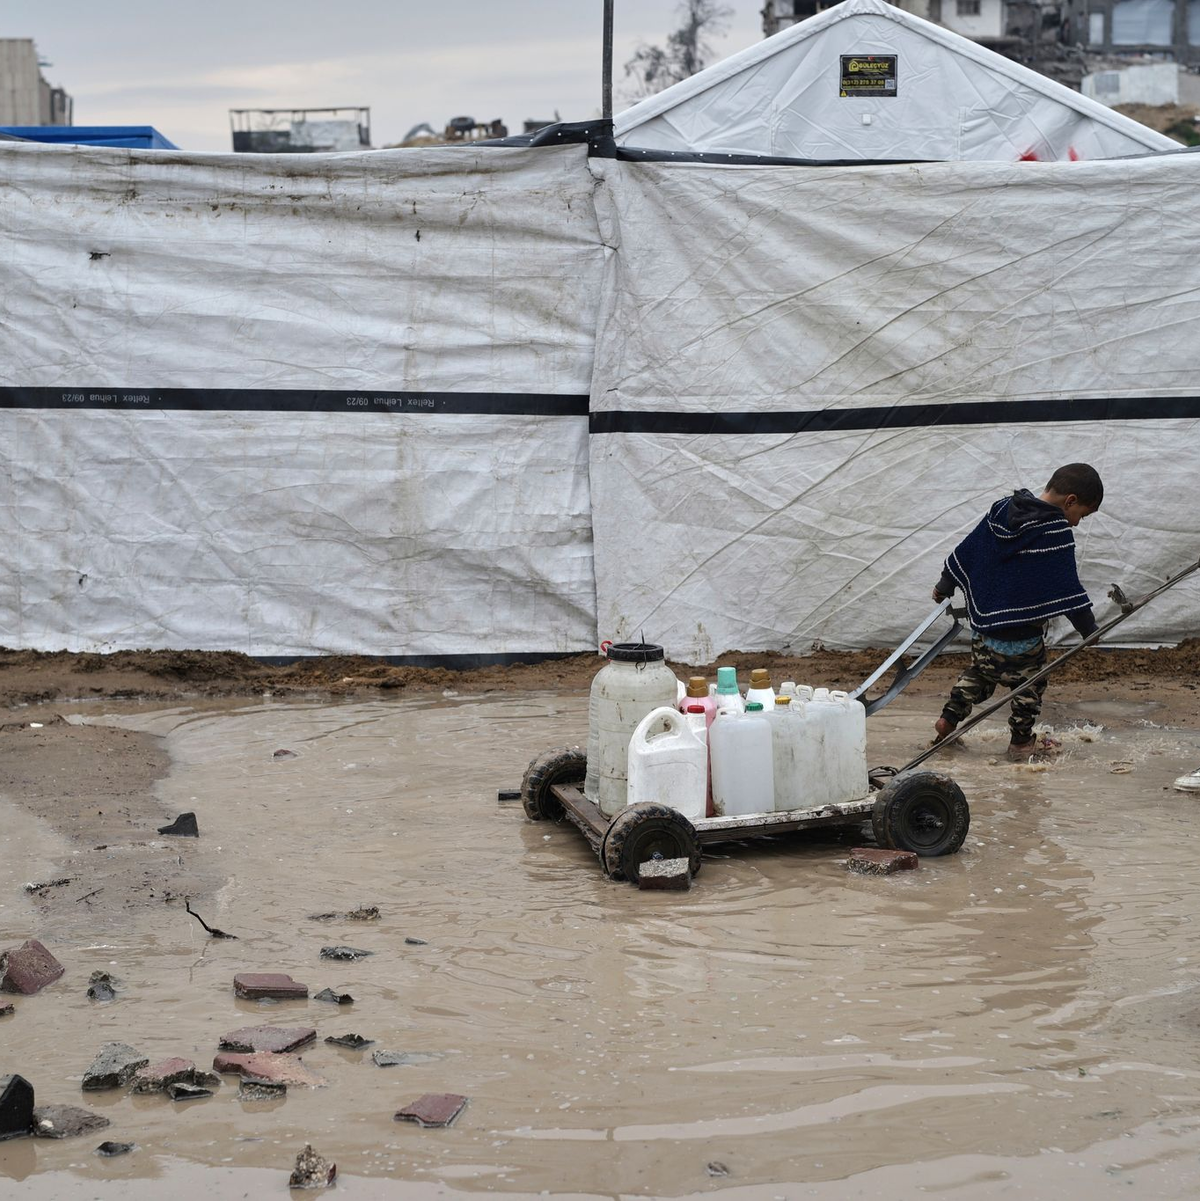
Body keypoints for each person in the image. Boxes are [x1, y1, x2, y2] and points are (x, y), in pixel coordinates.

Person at [931, 464, 1103, 760]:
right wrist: (1090, 630)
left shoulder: (1001, 510)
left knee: (980, 675)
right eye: (1082, 515)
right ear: (1070, 501)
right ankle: (1021, 743)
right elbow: (1067, 586)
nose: (1076, 523)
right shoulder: (1054, 530)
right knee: (1028, 687)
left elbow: (971, 548)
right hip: (1024, 637)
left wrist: (945, 584)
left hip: (984, 629)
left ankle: (948, 719)